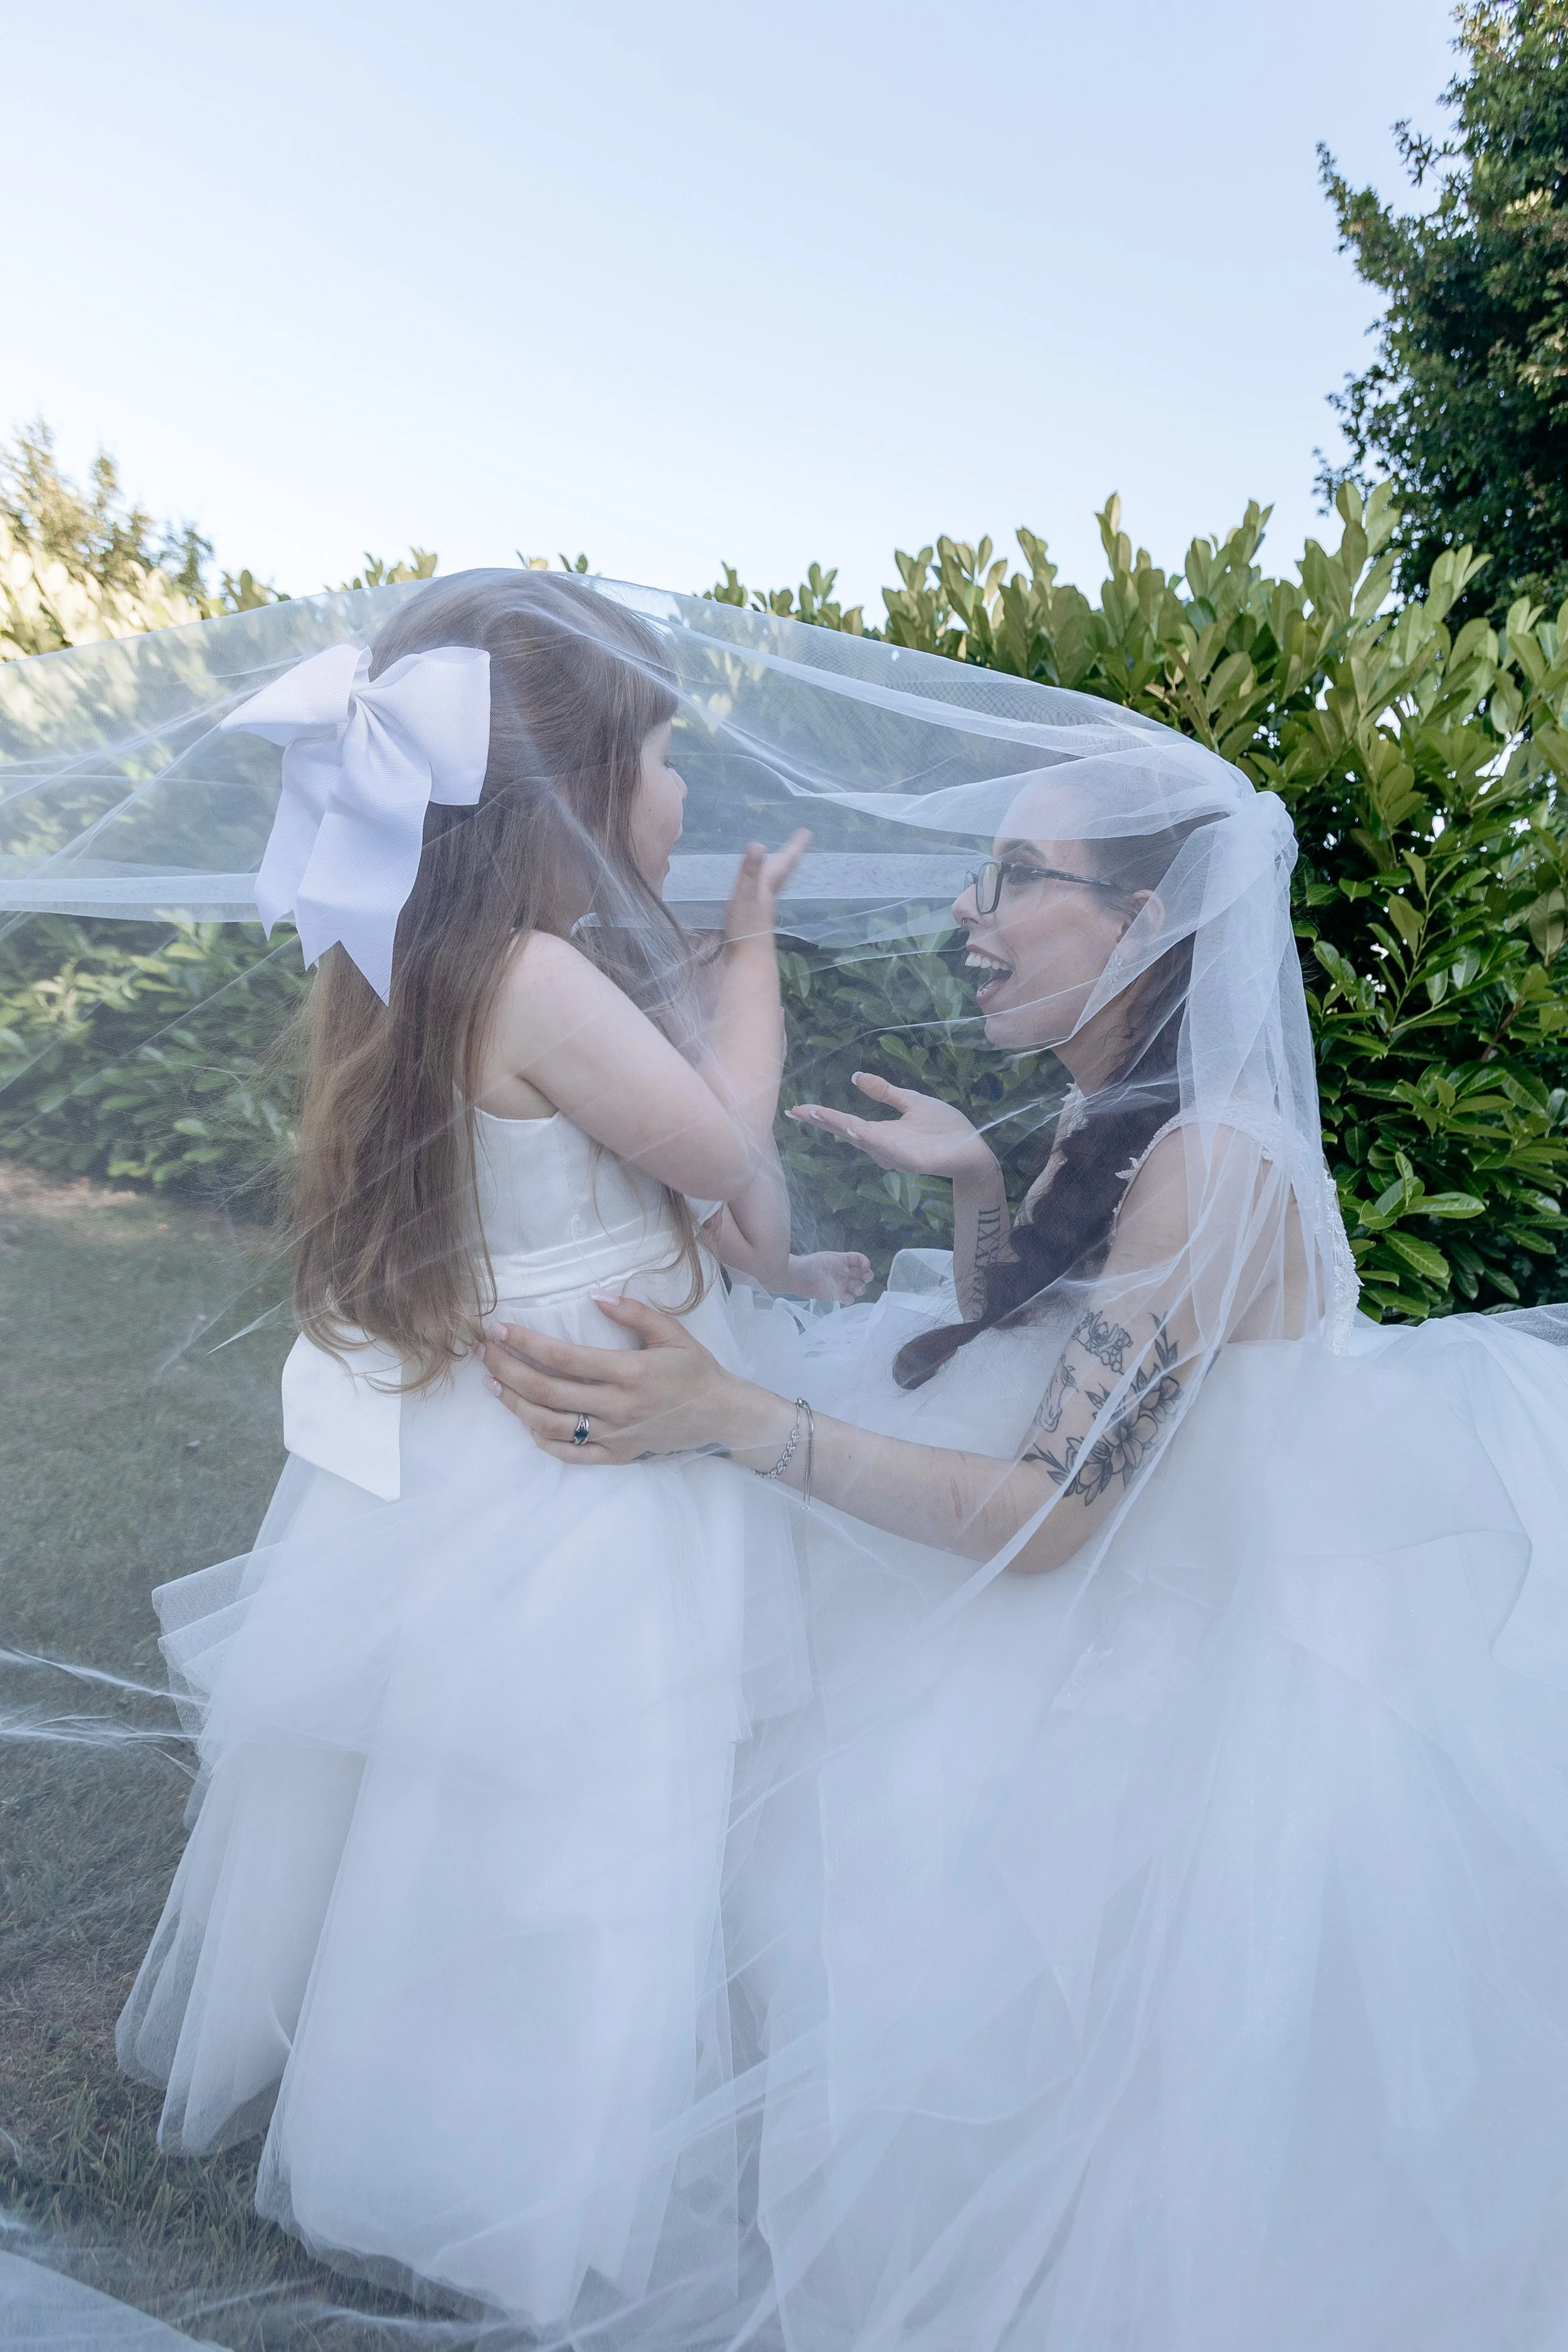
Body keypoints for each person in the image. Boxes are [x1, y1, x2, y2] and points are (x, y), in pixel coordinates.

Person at [485, 762, 1568, 2351]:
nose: (963, 910)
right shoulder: (1112, 1114)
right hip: (1138, 1576)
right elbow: (1053, 1346)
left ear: (1143, 922)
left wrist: (733, 1419)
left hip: (1208, 1666)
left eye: (1010, 876)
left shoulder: (1210, 1162)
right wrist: (985, 1187)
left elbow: (1054, 1516)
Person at [114, 569, 866, 2336]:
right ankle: (508, 2168)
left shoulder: (420, 959)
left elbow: (644, 1194)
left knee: (455, 1807)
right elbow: (721, 1150)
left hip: (487, 1428)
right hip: (588, 1452)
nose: (680, 790)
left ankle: (407, 2105)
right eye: (662, 752)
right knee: (590, 1808)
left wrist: (772, 1260)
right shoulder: (536, 976)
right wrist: (751, 958)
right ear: (573, 790)